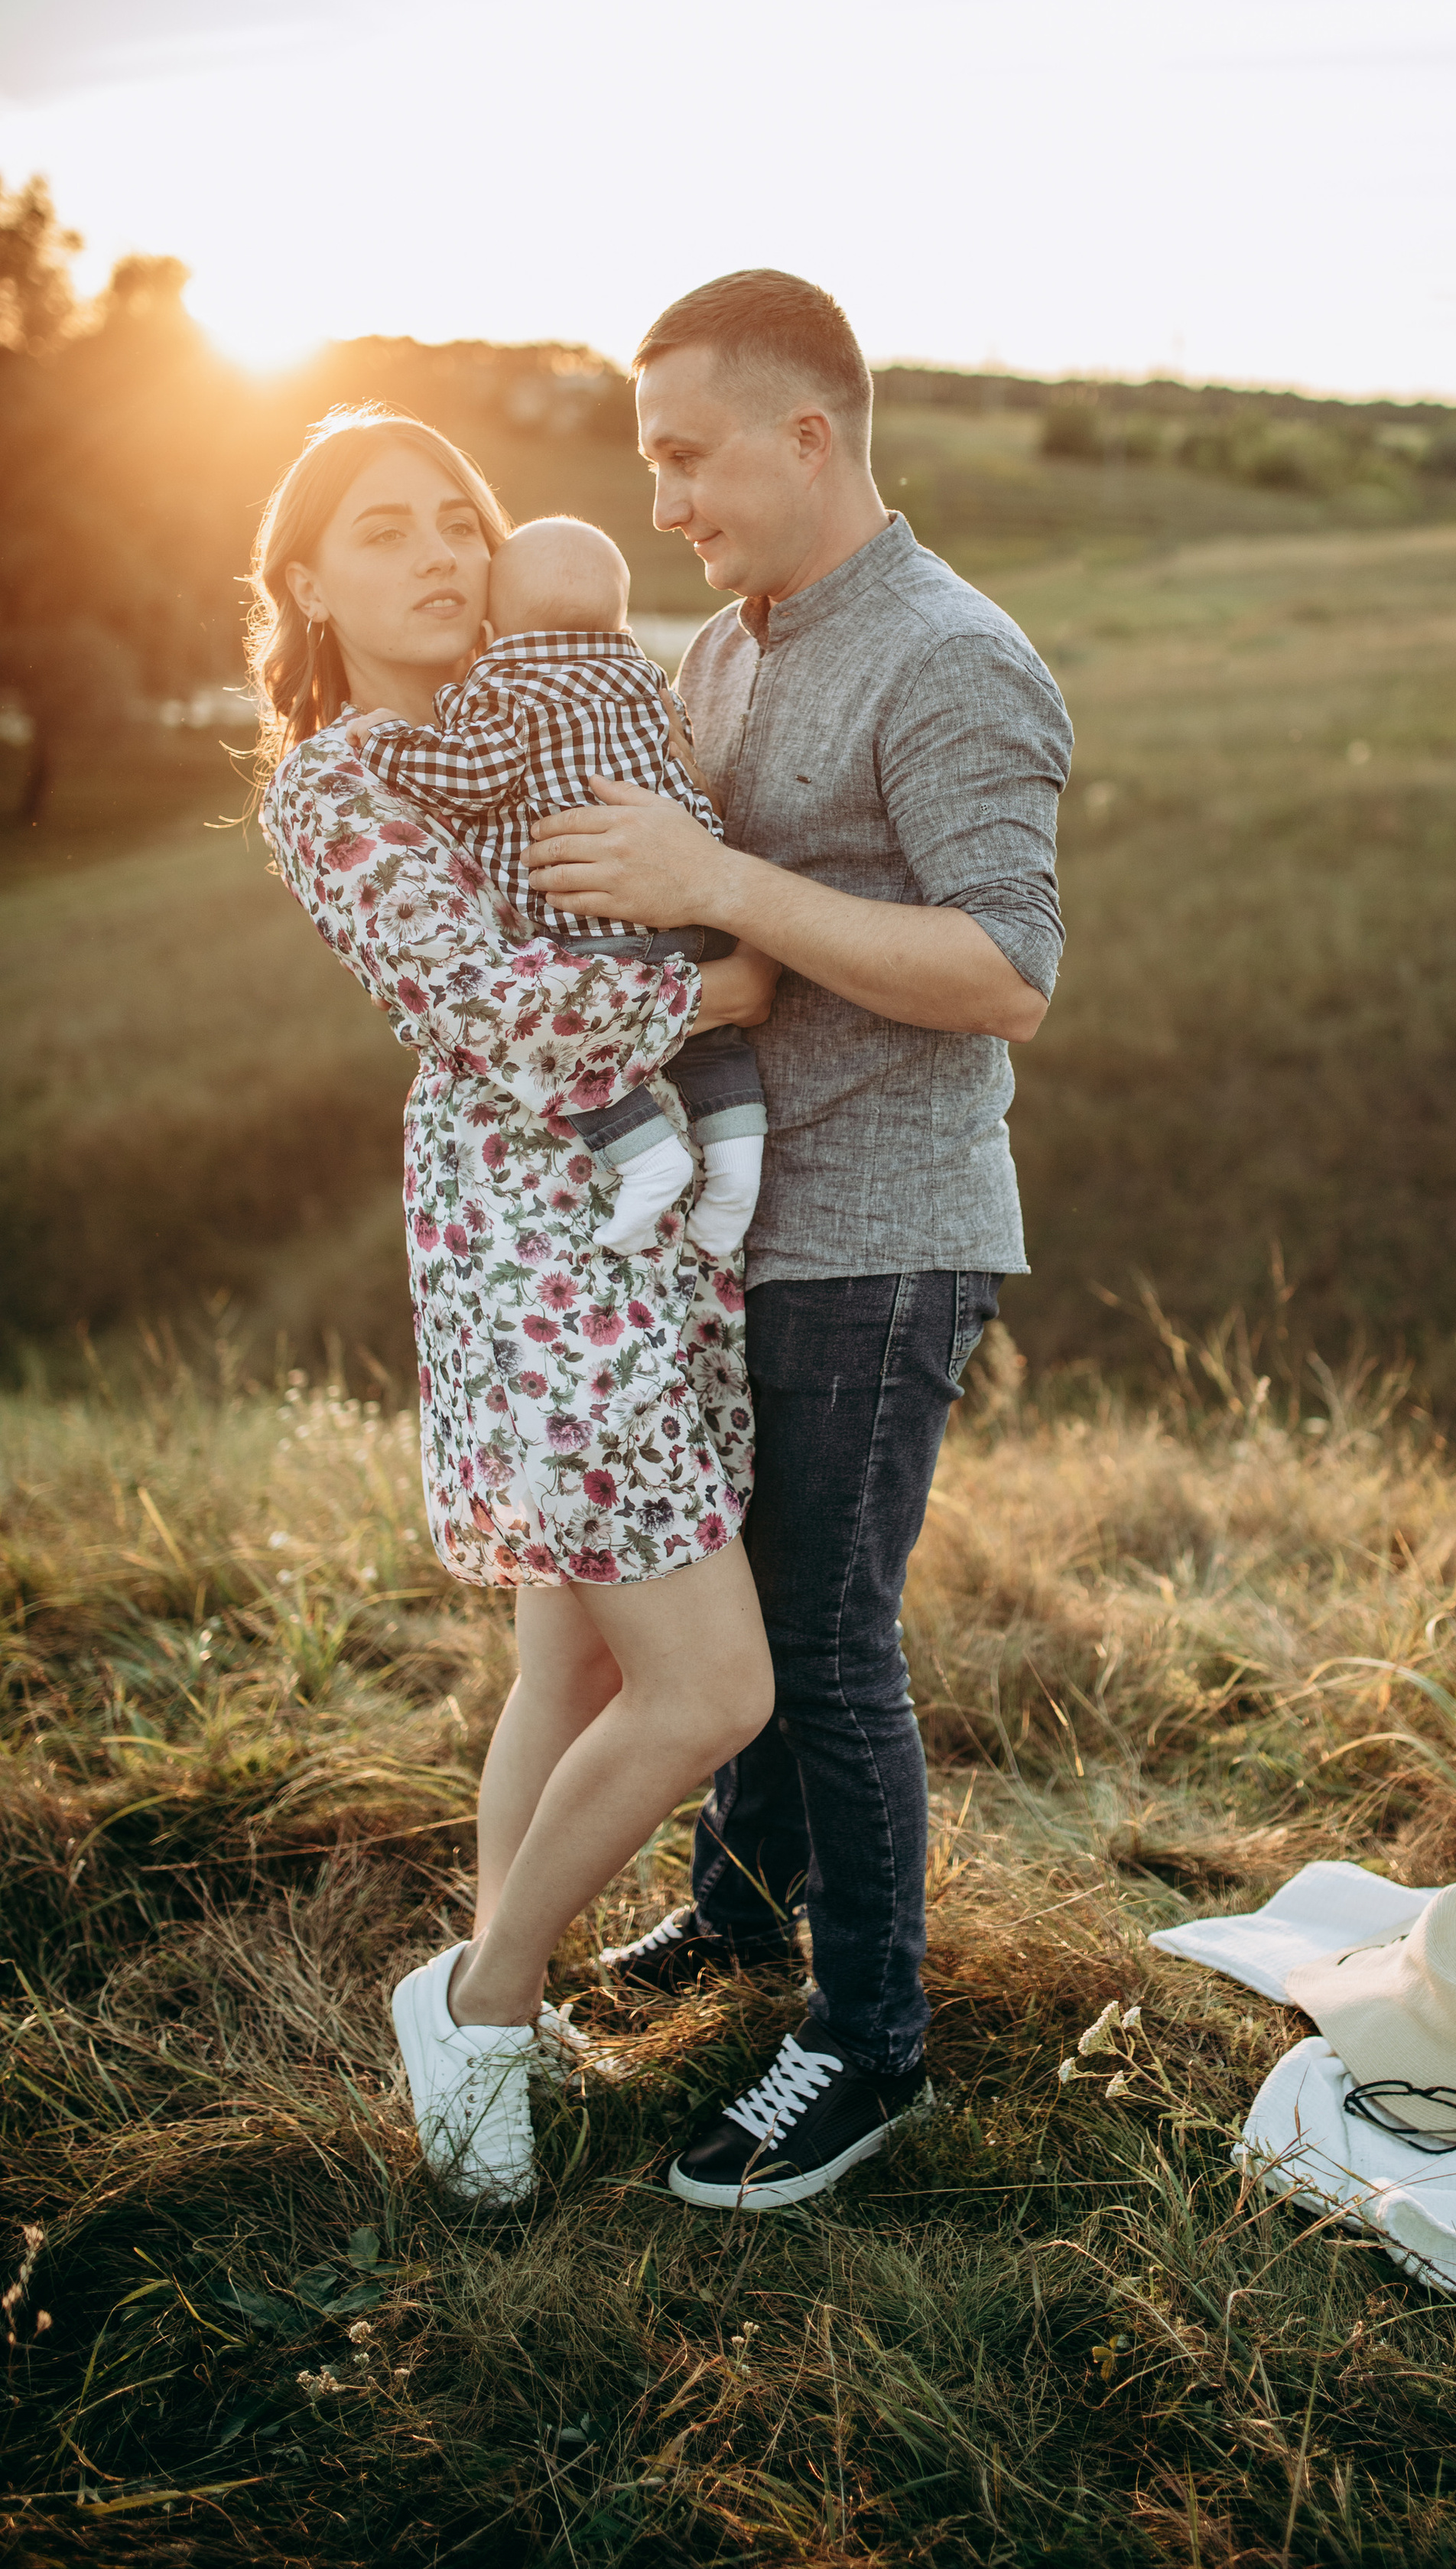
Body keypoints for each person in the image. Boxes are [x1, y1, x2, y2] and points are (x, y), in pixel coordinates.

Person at [525, 270, 1073, 2210]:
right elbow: (714, 925)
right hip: (743, 1226)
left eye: (685, 453)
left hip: (888, 1232)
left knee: (827, 1645)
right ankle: (741, 1920)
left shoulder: (952, 656)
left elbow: (1007, 972)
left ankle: (866, 2041)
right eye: (648, 457)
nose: (661, 493)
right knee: (746, 1617)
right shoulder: (725, 647)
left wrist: (715, 881)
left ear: (806, 435)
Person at [249, 405, 778, 2206]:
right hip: (542, 1264)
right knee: (710, 1684)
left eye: (457, 518)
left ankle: (509, 1980)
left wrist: (715, 910)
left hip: (641, 1247)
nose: (441, 554)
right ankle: (475, 1995)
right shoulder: (338, 779)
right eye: (384, 529)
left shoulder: (551, 708)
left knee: (575, 1655)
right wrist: (734, 978)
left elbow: (686, 839)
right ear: (307, 581)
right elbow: (500, 1008)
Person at [353, 513, 769, 1259]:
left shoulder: (502, 686)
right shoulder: (644, 679)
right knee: (717, 1051)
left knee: (577, 1047)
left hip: (587, 922)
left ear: (496, 619)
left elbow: (473, 776)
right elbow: (685, 767)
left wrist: (385, 739)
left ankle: (647, 1159)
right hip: (688, 910)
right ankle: (737, 1173)